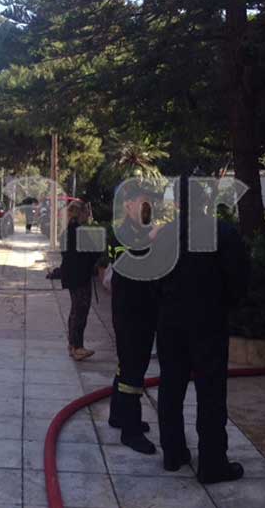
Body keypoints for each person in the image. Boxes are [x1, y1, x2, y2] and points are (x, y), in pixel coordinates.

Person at [154, 177, 249, 482]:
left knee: (171, 387)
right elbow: (238, 280)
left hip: (171, 322)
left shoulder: (166, 234)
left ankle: (173, 453)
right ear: (205, 201)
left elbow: (155, 278)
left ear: (178, 203)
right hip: (208, 323)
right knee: (210, 393)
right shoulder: (224, 233)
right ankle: (212, 463)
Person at [108, 182, 160, 455]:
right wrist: (151, 239)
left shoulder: (139, 231)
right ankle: (131, 431)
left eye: (149, 202)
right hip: (131, 312)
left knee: (126, 364)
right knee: (132, 370)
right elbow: (126, 263)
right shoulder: (123, 233)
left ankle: (118, 414)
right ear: (128, 205)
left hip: (142, 309)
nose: (147, 207)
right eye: (142, 201)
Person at [61, 201, 101, 361]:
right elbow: (94, 252)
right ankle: (77, 347)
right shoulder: (80, 232)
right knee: (80, 312)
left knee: (75, 310)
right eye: (86, 212)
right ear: (81, 214)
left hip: (71, 276)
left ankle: (73, 345)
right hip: (80, 277)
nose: (88, 215)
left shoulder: (68, 231)